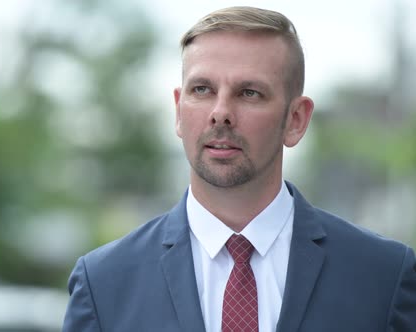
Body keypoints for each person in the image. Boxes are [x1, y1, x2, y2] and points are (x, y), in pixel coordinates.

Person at [62, 6, 416, 332]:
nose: (220, 112)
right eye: (202, 89)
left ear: (295, 120)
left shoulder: (383, 277)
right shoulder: (104, 284)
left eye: (249, 93)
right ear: (178, 110)